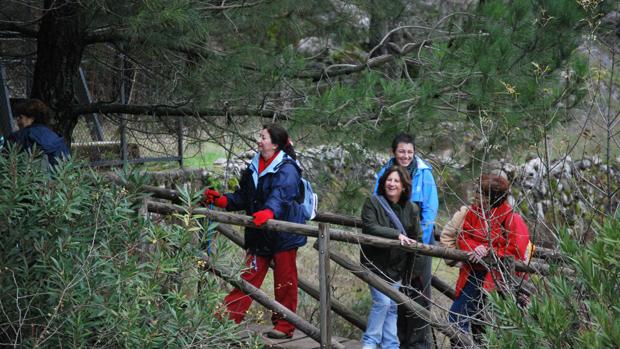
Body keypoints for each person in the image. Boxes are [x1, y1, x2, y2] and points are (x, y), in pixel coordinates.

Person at [203, 124, 306, 339]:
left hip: (283, 235)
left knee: (285, 282)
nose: (259, 140)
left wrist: (269, 210)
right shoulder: (253, 166)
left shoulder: (287, 168)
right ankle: (224, 321)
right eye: (259, 136)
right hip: (259, 233)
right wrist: (223, 200)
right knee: (247, 278)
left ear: (275, 144)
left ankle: (285, 327)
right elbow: (243, 196)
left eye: (263, 137)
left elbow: (282, 194)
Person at [448, 174, 530, 345]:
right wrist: (474, 248)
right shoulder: (474, 212)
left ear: (492, 197)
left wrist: (489, 251)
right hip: (474, 274)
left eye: (481, 193)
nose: (476, 196)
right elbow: (463, 237)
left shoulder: (511, 218)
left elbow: (516, 250)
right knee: (462, 318)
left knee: (483, 324)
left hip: (500, 280)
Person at [373, 133, 438, 349]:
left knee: (418, 295)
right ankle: (398, 343)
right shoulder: (386, 173)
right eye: (402, 151)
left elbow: (430, 211)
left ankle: (419, 345)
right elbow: (377, 205)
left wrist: (418, 243)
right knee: (395, 295)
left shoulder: (424, 174)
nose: (406, 155)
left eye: (410, 152)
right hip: (393, 247)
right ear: (394, 152)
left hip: (419, 245)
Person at [360, 166, 420, 349]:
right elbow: (370, 227)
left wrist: (413, 267)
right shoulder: (372, 202)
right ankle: (369, 343)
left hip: (397, 267)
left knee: (392, 306)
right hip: (374, 265)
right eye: (389, 180)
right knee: (383, 302)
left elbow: (416, 235)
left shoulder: (411, 208)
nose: (392, 184)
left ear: (404, 186)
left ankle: (391, 345)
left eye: (396, 181)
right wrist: (396, 235)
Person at [7, 99, 70, 167]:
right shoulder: (56, 137)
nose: (18, 122)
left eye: (20, 117)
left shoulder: (19, 137)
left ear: (32, 118)